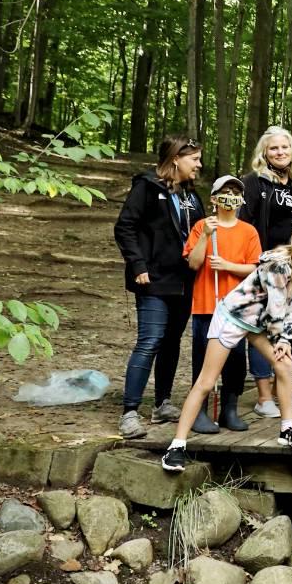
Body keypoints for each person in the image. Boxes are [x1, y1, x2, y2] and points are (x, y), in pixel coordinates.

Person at [161, 218, 292, 470]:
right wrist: (278, 337)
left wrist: (285, 340)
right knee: (206, 381)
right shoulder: (279, 264)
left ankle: (287, 430)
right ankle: (176, 446)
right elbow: (277, 305)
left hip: (258, 323)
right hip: (235, 316)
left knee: (283, 366)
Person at [113, 135, 202, 437]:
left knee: (172, 342)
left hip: (185, 282)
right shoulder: (147, 188)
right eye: (195, 159)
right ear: (176, 158)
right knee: (150, 341)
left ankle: (162, 402)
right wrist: (138, 264)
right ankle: (129, 412)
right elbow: (125, 226)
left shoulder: (192, 196)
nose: (199, 165)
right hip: (153, 280)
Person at [243, 126, 292, 419]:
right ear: (264, 153)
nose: (280, 153)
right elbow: (246, 225)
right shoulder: (254, 183)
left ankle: (279, 386)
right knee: (264, 326)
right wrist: (254, 261)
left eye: (284, 148)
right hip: (268, 268)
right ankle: (263, 395)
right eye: (273, 148)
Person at [179, 174, 262, 434]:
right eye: (225, 191)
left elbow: (255, 268)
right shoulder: (203, 226)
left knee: (236, 360)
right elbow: (192, 262)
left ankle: (230, 408)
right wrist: (205, 235)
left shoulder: (248, 231)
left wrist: (227, 266)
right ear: (214, 198)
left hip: (236, 308)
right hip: (206, 304)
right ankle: (200, 411)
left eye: (236, 192)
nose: (231, 196)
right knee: (203, 357)